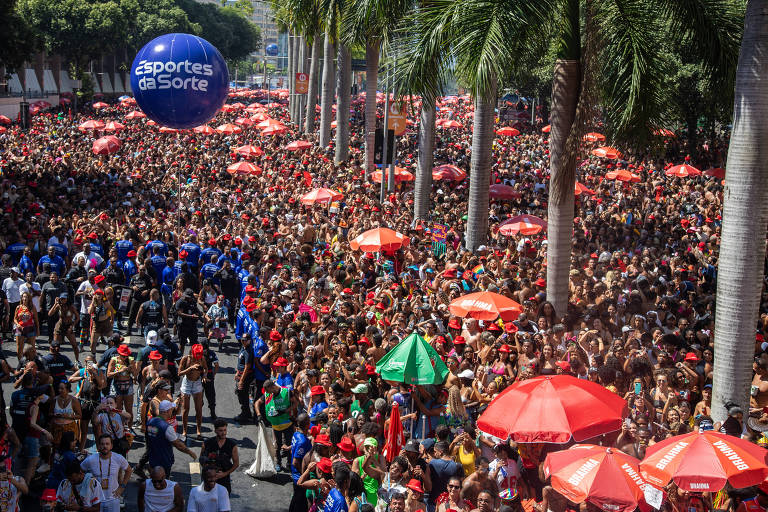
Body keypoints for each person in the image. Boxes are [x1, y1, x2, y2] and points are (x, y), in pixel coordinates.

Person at [80, 434, 132, 512]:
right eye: (102, 444)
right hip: (96, 501)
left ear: (111, 446)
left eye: (107, 444)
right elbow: (79, 471)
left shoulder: (118, 458)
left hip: (113, 499)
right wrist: (85, 489)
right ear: (99, 446)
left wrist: (122, 487)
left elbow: (129, 470)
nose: (105, 446)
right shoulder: (91, 460)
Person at [146, 400, 197, 476]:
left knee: (154, 481)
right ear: (167, 411)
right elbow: (178, 445)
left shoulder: (150, 422)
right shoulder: (167, 427)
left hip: (152, 459)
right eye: (171, 410)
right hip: (164, 461)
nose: (172, 412)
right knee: (163, 483)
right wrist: (190, 453)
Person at [256, 379, 293, 472]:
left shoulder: (286, 392)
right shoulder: (268, 394)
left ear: (272, 387)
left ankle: (289, 463)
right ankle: (278, 463)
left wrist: (286, 411)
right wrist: (259, 415)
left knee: (289, 444)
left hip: (287, 424)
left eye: (268, 391)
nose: (268, 393)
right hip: (276, 425)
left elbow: (296, 403)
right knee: (278, 444)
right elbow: (257, 403)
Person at [201, 419, 239, 494]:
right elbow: (201, 459)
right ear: (215, 431)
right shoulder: (207, 443)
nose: (223, 433)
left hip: (224, 480)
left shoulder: (232, 445)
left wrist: (224, 474)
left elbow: (236, 464)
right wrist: (211, 473)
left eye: (225, 430)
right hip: (209, 480)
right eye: (221, 431)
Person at [178, 343, 208, 440]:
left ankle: (199, 431)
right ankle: (184, 431)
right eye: (196, 357)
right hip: (187, 382)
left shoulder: (202, 358)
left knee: (198, 409)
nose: (197, 359)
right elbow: (179, 373)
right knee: (185, 409)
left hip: (197, 383)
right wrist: (190, 368)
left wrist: (204, 376)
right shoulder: (185, 359)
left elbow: (206, 369)